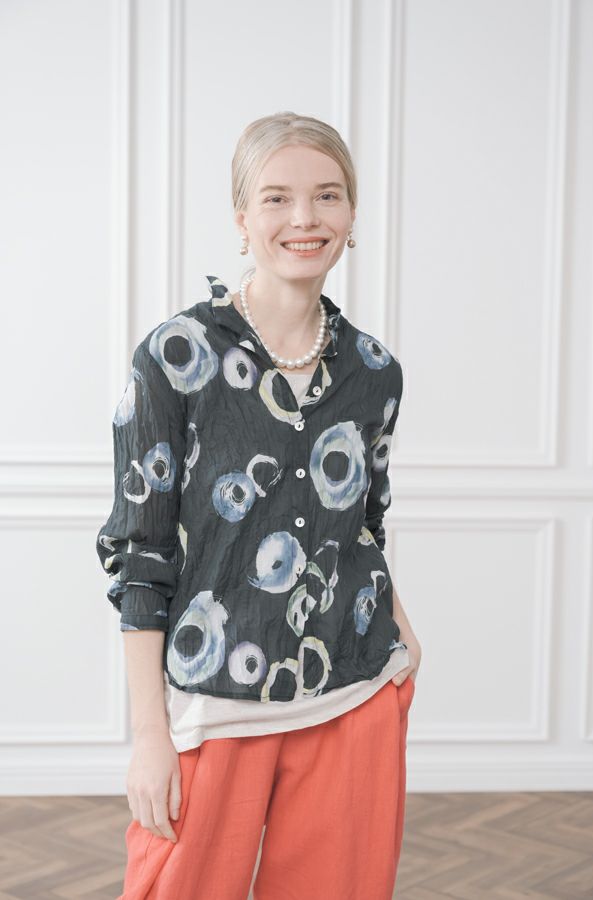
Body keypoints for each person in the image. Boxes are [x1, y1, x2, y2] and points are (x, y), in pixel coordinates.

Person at [96, 110, 422, 900]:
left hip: (355, 690)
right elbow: (141, 555)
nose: (305, 217)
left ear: (352, 215)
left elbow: (363, 525)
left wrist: (404, 641)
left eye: (328, 195)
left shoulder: (375, 371)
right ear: (242, 218)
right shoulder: (176, 356)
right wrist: (150, 736)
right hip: (214, 703)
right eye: (277, 198)